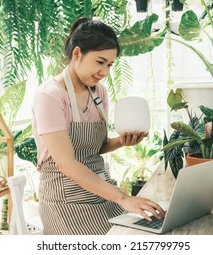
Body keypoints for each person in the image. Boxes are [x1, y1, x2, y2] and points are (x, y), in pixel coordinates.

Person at [31, 17, 165, 235]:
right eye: (100, 62)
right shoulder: (50, 96)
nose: (105, 71)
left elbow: (94, 149)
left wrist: (121, 142)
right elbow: (67, 163)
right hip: (65, 203)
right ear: (77, 54)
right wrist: (123, 198)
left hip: (101, 192)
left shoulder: (98, 93)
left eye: (110, 65)